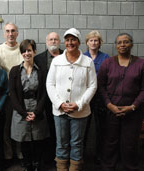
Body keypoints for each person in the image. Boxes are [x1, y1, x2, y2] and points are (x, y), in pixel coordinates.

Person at [98, 33, 144, 171]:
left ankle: (130, 167)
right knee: (110, 143)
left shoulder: (142, 64)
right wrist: (109, 105)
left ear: (132, 44)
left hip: (133, 112)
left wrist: (133, 106)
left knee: (130, 144)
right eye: (120, 42)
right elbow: (101, 86)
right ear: (116, 46)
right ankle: (108, 167)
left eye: (126, 42)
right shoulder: (108, 63)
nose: (122, 45)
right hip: (111, 111)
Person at [46, 28, 97, 171]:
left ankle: (75, 168)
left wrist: (80, 104)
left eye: (73, 39)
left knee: (77, 143)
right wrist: (59, 103)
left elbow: (93, 85)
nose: (70, 43)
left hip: (80, 112)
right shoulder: (57, 61)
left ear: (79, 42)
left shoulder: (87, 62)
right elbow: (50, 84)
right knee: (61, 143)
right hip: (60, 111)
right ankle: (61, 168)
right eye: (67, 40)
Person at [9, 39, 50, 171]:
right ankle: (27, 165)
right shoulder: (15, 71)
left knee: (38, 139)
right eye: (24, 51)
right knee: (24, 140)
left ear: (34, 51)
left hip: (37, 108)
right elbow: (12, 94)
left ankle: (37, 164)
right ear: (21, 53)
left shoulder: (42, 70)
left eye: (29, 50)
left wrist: (37, 112)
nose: (27, 53)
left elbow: (44, 93)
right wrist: (23, 113)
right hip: (21, 109)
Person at [0, 22, 23, 167]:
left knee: (20, 125)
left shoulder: (23, 48)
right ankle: (8, 154)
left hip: (21, 95)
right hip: (4, 95)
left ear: (17, 33)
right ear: (4, 33)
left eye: (13, 31)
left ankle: (20, 154)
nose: (10, 34)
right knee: (6, 126)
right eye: (7, 31)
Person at [34, 32, 63, 163]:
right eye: (50, 39)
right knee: (46, 130)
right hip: (44, 101)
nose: (53, 42)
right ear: (46, 42)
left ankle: (61, 157)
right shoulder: (38, 59)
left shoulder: (67, 55)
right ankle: (48, 158)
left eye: (55, 39)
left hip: (63, 100)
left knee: (61, 131)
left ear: (59, 41)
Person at [83, 30, 109, 163]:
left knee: (101, 128)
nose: (93, 42)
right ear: (87, 42)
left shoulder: (105, 58)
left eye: (96, 40)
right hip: (86, 98)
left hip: (100, 97)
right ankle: (81, 156)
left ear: (100, 43)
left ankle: (100, 156)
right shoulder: (82, 57)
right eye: (91, 40)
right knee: (83, 127)